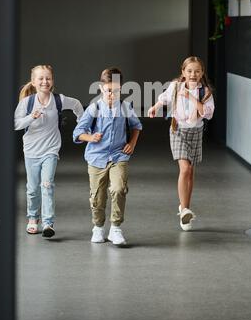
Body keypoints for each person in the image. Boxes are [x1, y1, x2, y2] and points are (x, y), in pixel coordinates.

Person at [73, 67, 142, 246]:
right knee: (97, 196)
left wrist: (132, 143)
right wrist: (90, 137)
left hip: (119, 156)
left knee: (119, 188)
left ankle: (116, 228)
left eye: (117, 90)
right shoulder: (94, 108)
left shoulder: (126, 107)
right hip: (97, 157)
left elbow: (137, 126)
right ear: (101, 88)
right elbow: (78, 132)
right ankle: (98, 227)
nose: (113, 94)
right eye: (109, 90)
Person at [14, 64, 84, 238]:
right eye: (41, 78)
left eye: (48, 78)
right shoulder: (27, 103)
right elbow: (15, 124)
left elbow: (76, 104)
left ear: (52, 81)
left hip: (51, 150)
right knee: (32, 189)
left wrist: (82, 124)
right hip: (31, 151)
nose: (45, 81)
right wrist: (32, 117)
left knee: (47, 185)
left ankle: (48, 222)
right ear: (33, 82)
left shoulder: (59, 100)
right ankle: (32, 218)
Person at [148, 56, 214, 231]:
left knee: (190, 173)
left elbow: (207, 113)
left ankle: (185, 207)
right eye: (189, 71)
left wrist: (192, 98)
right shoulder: (176, 87)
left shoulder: (205, 92)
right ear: (183, 72)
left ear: (202, 73)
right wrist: (155, 107)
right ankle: (184, 210)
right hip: (177, 130)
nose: (193, 74)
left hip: (196, 132)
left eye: (197, 71)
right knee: (184, 169)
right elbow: (164, 99)